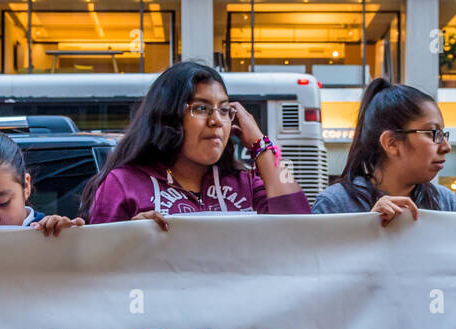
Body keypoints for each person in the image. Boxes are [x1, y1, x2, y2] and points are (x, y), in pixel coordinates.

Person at [82, 60, 311, 227]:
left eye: (224, 110)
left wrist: (260, 145)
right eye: (201, 108)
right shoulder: (123, 184)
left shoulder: (246, 184)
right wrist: (130, 238)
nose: (216, 121)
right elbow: (100, 270)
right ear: (169, 116)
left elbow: (301, 229)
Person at [311, 77, 456, 241]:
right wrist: (367, 228)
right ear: (391, 143)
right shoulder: (334, 205)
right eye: (432, 133)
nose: (446, 147)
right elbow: (317, 276)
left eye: (443, 134)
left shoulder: (446, 202)